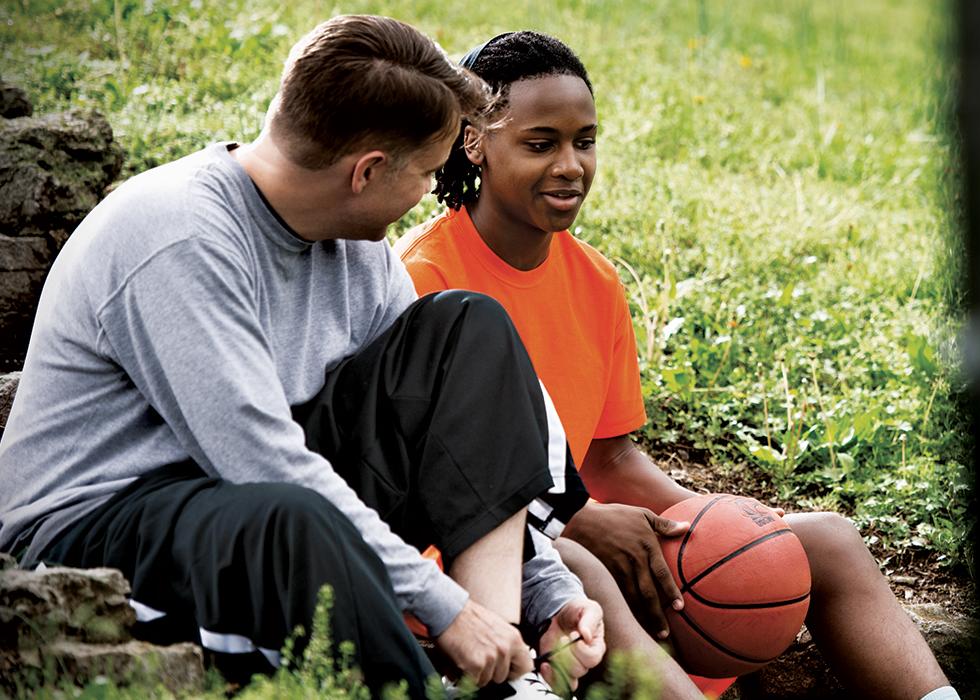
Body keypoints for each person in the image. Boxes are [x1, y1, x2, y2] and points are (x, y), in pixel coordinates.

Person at [0, 16, 605, 699]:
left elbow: (447, 435)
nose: (429, 195)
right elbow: (260, 463)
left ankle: (506, 675)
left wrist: (547, 591)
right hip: (99, 522)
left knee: (469, 328)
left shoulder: (357, 249)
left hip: (258, 497)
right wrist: (445, 608)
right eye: (430, 173)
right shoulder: (178, 236)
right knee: (296, 519)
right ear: (368, 171)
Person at [395, 30, 961, 700]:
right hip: (487, 560)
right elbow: (430, 484)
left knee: (827, 541)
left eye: (585, 140)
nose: (571, 165)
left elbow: (608, 458)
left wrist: (719, 517)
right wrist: (574, 520)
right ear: (475, 143)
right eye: (540, 143)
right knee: (581, 566)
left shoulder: (596, 281)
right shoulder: (424, 276)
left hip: (588, 527)